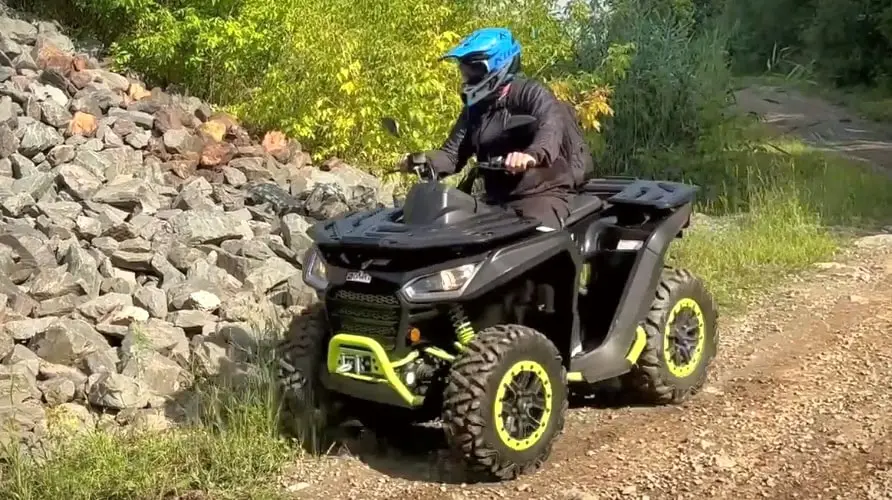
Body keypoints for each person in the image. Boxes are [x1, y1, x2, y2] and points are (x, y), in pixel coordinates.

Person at [399, 27, 594, 229]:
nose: (466, 77)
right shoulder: (474, 110)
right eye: (464, 71)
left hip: (542, 194)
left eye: (473, 70)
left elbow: (551, 126)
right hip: (495, 200)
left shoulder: (531, 93)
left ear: (499, 66)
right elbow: (451, 155)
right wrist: (420, 161)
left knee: (536, 244)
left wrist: (531, 155)